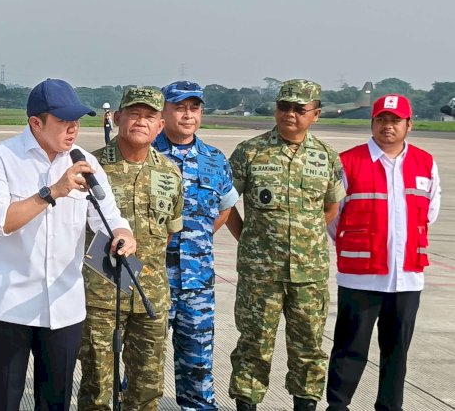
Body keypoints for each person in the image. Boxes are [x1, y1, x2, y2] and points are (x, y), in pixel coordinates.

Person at [0, 78, 135, 410]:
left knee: (56, 401)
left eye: (76, 120)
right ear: (36, 122)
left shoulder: (84, 163)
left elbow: (108, 215)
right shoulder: (0, 158)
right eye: (63, 121)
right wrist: (52, 192)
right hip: (9, 305)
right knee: (3, 400)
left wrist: (123, 234)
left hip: (64, 305)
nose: (73, 128)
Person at [225, 79, 344, 411]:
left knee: (308, 349)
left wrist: (305, 241)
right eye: (284, 107)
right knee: (253, 347)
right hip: (259, 275)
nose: (290, 114)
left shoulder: (326, 156)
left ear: (315, 114)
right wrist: (248, 238)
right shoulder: (250, 151)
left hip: (309, 274)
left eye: (299, 109)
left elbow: (331, 206)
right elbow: (226, 202)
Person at [326, 95, 441, 411]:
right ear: (372, 122)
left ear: (408, 124)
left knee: (397, 351)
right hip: (361, 278)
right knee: (350, 348)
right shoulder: (348, 162)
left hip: (406, 279)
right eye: (381, 120)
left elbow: (430, 211)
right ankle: (338, 405)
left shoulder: (425, 163)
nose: (388, 126)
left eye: (395, 120)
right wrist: (358, 247)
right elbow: (333, 217)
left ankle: (391, 407)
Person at [78, 88, 184, 411]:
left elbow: (169, 234)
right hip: (101, 298)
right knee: (97, 389)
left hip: (150, 299)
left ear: (160, 125)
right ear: (117, 118)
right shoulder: (91, 170)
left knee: (147, 390)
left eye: (150, 115)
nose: (141, 121)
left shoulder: (170, 173)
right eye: (134, 113)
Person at [152, 81, 238, 410]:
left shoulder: (215, 160)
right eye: (179, 107)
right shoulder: (146, 153)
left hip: (197, 281)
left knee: (198, 364)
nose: (188, 114)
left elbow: (223, 209)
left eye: (194, 107)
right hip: (153, 278)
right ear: (164, 112)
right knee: (145, 362)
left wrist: (194, 239)